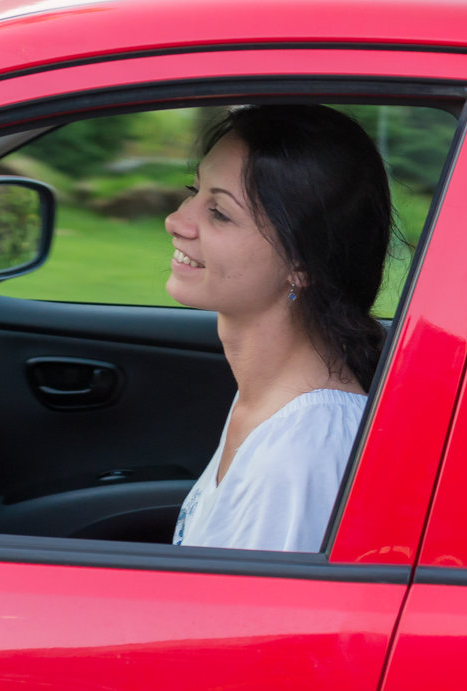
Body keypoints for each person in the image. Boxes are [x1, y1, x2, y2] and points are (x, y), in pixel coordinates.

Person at [166, 104, 391, 551]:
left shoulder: (301, 453)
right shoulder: (272, 401)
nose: (175, 221)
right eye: (193, 191)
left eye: (220, 213)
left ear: (301, 263)